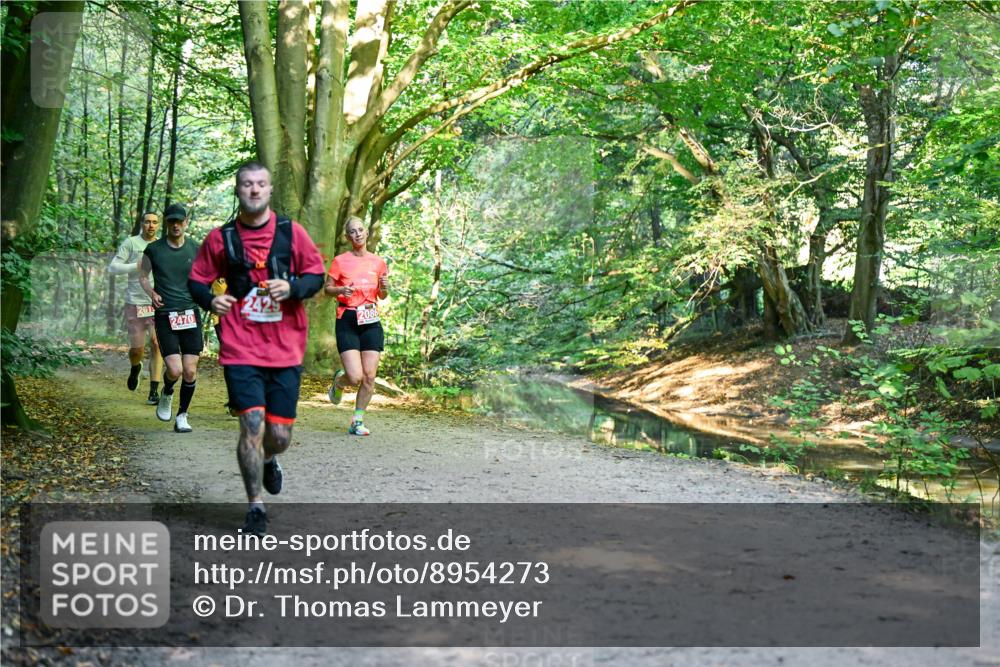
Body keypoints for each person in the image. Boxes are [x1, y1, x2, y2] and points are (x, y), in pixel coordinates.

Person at [188, 161, 324, 536]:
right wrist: (209, 300)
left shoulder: (291, 234)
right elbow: (197, 280)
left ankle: (268, 460)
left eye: (260, 184)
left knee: (278, 436)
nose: (253, 190)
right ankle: (255, 507)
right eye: (246, 184)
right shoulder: (222, 238)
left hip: (285, 349)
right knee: (250, 423)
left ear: (269, 190)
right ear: (238, 190)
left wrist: (293, 288)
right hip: (240, 347)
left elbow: (316, 276)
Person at [324, 216, 389, 437]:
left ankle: (357, 421)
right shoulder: (340, 261)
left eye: (360, 230)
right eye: (353, 231)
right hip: (348, 319)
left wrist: (384, 287)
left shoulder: (378, 262)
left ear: (366, 232)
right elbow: (327, 289)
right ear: (348, 236)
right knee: (355, 376)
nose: (358, 234)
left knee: (369, 376)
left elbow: (382, 294)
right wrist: (341, 291)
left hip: (370, 319)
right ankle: (339, 383)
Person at [139, 204, 201, 433]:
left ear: (186, 222)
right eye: (171, 221)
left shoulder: (196, 248)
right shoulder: (154, 250)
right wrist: (151, 293)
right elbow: (142, 275)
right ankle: (167, 392)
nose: (175, 225)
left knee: (190, 370)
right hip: (165, 314)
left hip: (190, 313)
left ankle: (182, 415)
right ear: (166, 223)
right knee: (174, 370)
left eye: (179, 221)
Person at [108, 211, 163, 404]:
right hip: (135, 302)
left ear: (159, 225)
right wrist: (136, 265)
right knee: (137, 349)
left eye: (154, 222)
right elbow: (113, 268)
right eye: (147, 222)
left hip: (157, 302)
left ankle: (154, 391)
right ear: (142, 223)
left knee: (157, 344)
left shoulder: (162, 246)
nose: (151, 225)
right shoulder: (131, 243)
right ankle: (135, 367)